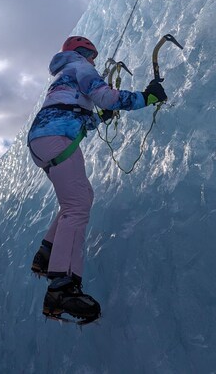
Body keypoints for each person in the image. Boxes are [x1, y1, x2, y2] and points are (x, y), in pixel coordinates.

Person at [27, 36, 167, 323]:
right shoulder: (80, 68)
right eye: (92, 55)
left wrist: (100, 118)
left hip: (43, 141)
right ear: (82, 53)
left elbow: (73, 112)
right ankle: (62, 288)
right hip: (57, 140)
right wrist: (146, 96)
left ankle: (47, 253)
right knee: (78, 205)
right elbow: (105, 96)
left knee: (75, 201)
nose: (95, 61)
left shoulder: (64, 75)